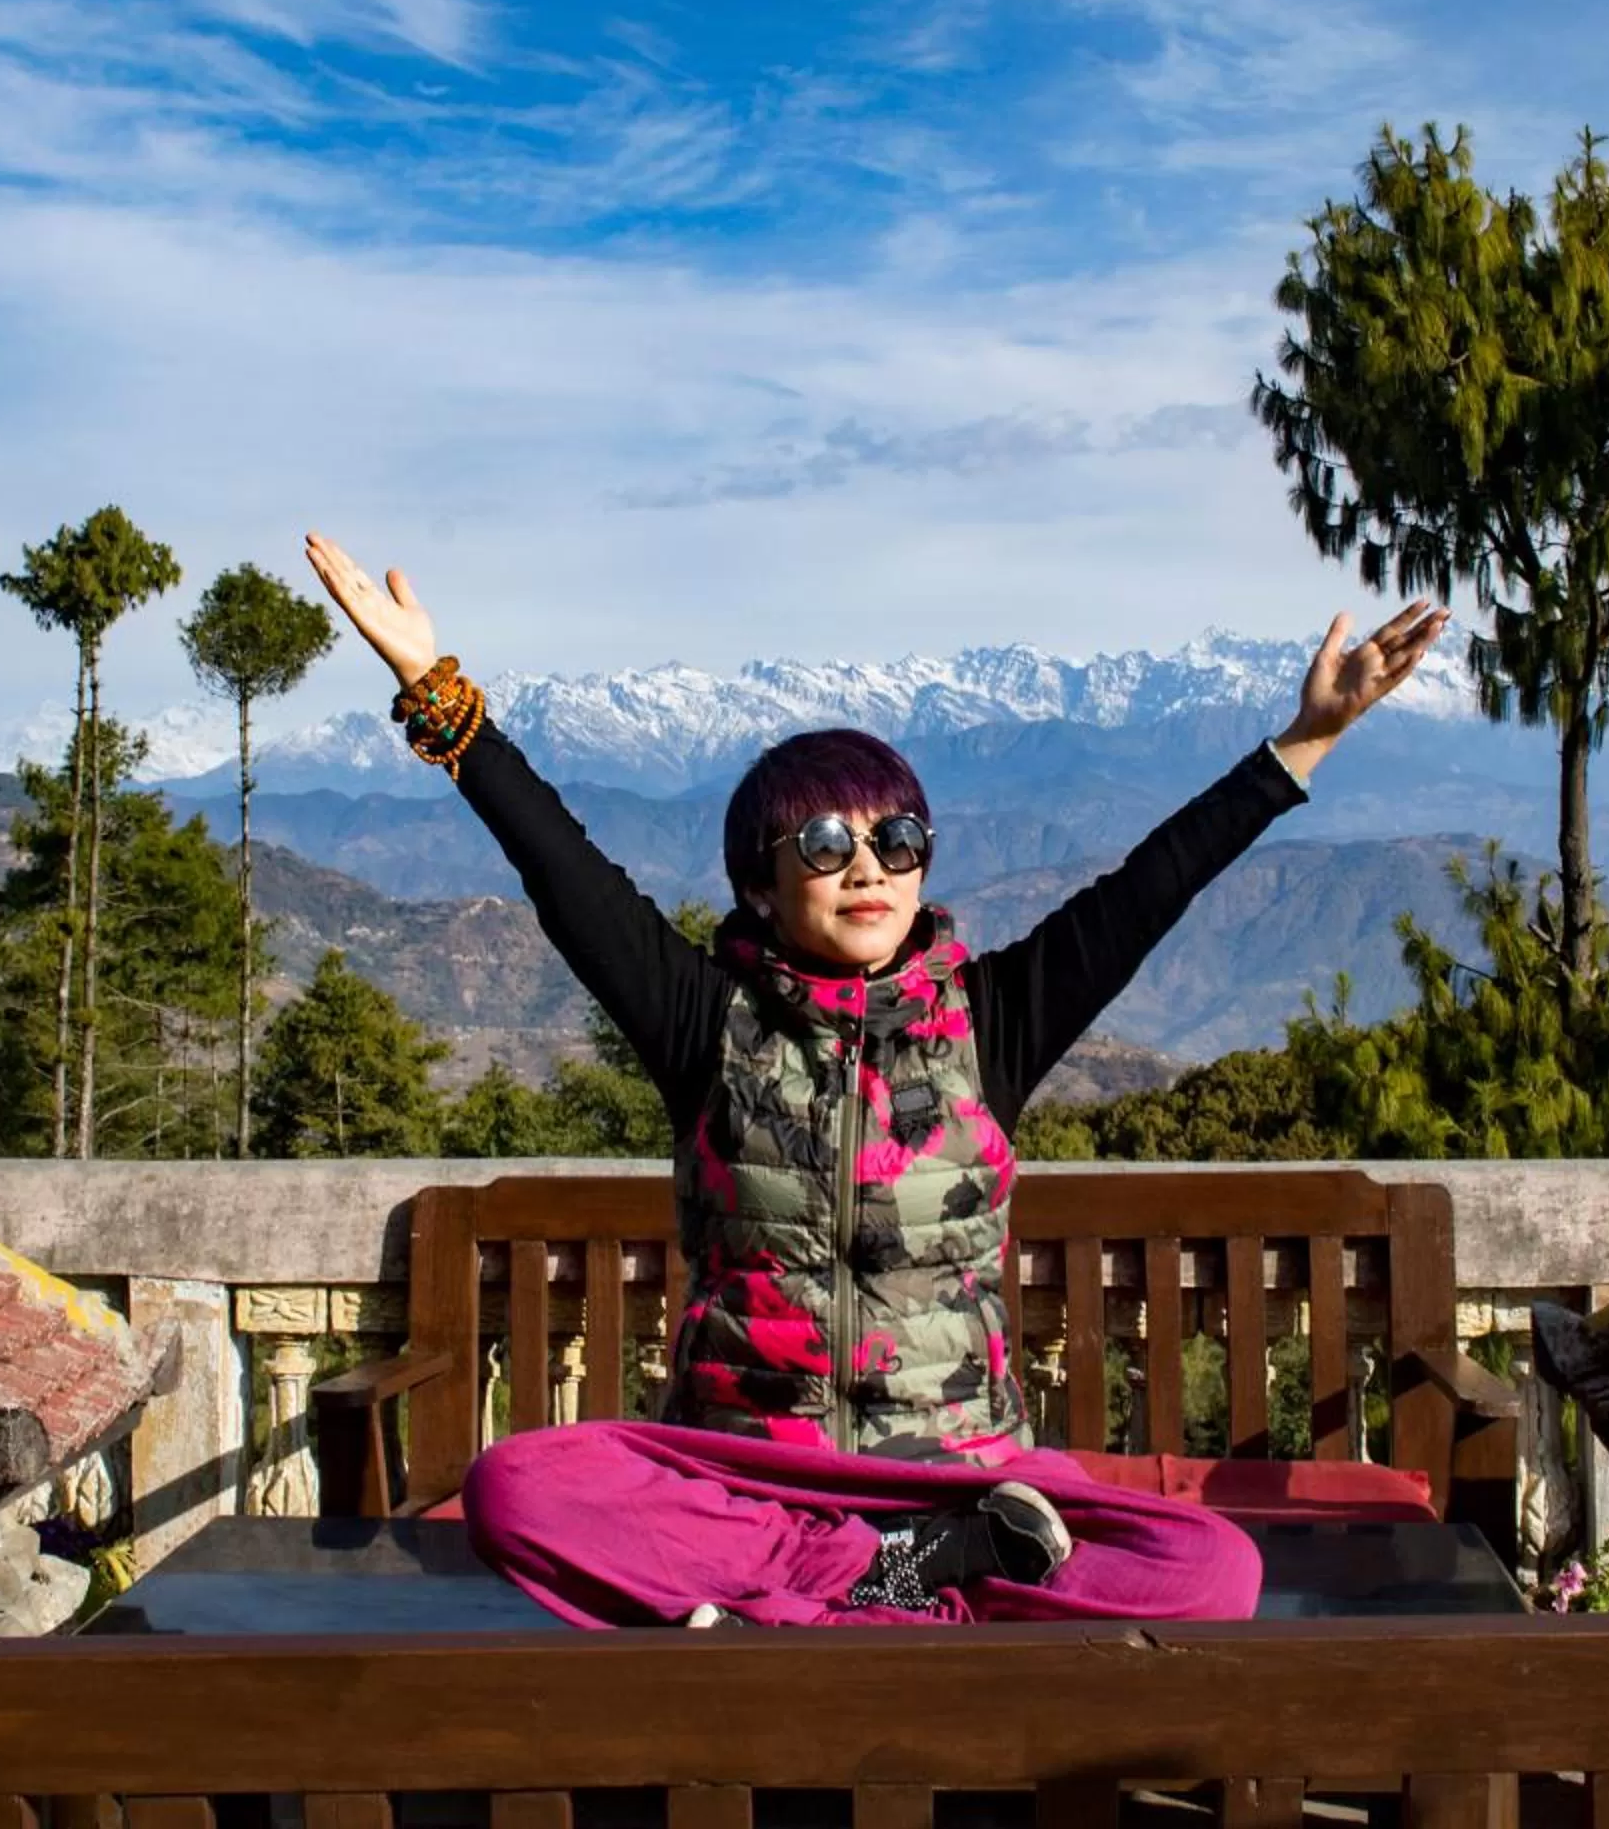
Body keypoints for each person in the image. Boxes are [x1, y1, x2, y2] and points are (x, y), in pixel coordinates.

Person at [302, 532, 1447, 1627]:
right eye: (823, 844)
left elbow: (1154, 885)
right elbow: (560, 867)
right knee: (517, 1484)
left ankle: (844, 1589)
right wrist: (436, 690)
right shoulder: (706, 1021)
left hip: (960, 1473)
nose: (867, 867)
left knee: (1213, 1564)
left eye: (896, 840)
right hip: (748, 1474)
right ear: (759, 885)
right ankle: (898, 1585)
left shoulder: (991, 1019)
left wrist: (1303, 743)